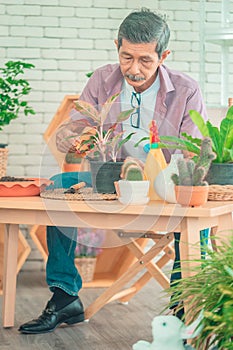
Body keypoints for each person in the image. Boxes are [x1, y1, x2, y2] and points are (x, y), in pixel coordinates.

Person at [19, 8, 208, 334]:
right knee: (61, 185)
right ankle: (64, 296)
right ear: (117, 47)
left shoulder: (186, 89)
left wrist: (172, 176)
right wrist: (78, 139)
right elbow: (68, 135)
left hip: (162, 185)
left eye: (145, 60)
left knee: (194, 207)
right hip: (108, 179)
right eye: (126, 57)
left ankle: (183, 306)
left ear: (164, 56)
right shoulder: (102, 80)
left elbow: (198, 152)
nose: (134, 69)